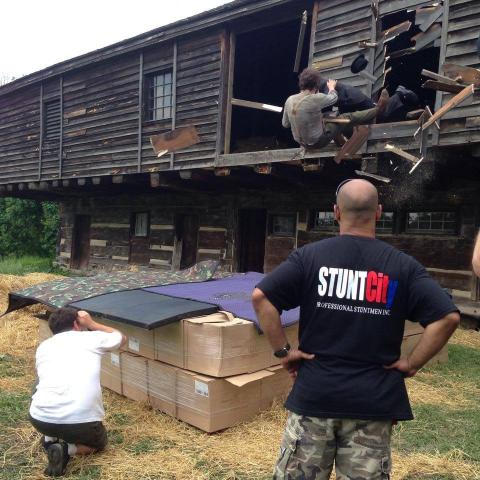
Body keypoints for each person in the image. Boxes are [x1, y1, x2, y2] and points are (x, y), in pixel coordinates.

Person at [252, 179, 460, 479]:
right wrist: (412, 363)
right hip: (373, 402)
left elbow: (261, 298)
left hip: (315, 397)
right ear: (378, 212)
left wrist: (284, 352)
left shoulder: (309, 258)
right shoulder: (403, 266)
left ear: (336, 212)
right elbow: (448, 318)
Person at [29, 307, 126, 477]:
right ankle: (67, 449)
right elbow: (121, 338)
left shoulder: (44, 347)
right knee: (98, 444)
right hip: (81, 422)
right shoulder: (90, 338)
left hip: (39, 419)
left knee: (41, 381)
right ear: (76, 323)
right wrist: (91, 323)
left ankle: (50, 439)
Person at [282, 68, 385, 150]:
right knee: (343, 118)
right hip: (317, 142)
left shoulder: (289, 100)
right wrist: (331, 87)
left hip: (302, 143)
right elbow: (334, 98)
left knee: (327, 115)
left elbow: (285, 124)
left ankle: (340, 141)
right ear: (315, 86)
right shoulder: (315, 98)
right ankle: (377, 110)